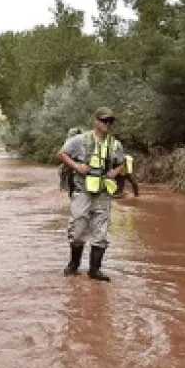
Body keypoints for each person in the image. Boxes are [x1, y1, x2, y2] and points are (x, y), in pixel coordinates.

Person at [57, 107, 125, 281]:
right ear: (95, 121)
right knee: (78, 229)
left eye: (110, 121)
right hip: (82, 191)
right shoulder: (79, 140)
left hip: (102, 193)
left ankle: (94, 271)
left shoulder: (115, 145)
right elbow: (61, 154)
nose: (107, 124)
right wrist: (77, 166)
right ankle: (73, 265)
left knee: (100, 232)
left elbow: (121, 163)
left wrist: (115, 173)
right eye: (104, 120)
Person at [58, 126, 83, 194]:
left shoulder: (77, 140)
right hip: (73, 160)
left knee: (62, 170)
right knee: (61, 169)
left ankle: (64, 185)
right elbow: (63, 153)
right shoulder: (70, 141)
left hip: (77, 161)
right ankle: (63, 184)